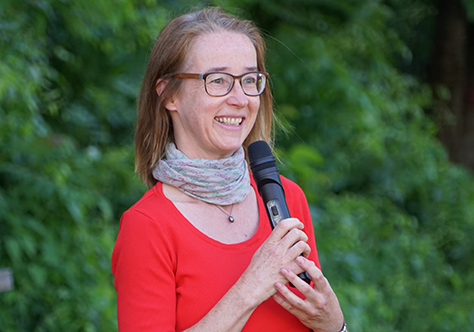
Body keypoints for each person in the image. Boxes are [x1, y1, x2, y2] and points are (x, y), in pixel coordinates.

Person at [111, 6, 346, 332]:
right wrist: (250, 287)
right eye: (218, 80)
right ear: (168, 94)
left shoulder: (287, 199)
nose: (240, 98)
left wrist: (336, 325)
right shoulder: (148, 226)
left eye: (249, 80)